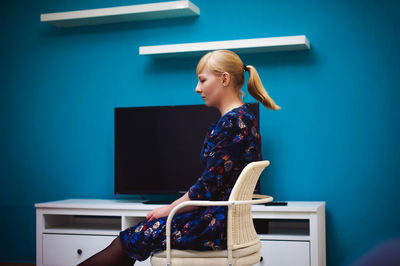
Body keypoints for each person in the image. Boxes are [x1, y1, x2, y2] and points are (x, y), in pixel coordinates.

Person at [78, 49, 280, 266]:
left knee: (127, 241)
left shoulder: (232, 123)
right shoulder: (244, 117)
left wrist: (169, 209)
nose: (197, 88)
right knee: (131, 240)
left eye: (202, 80)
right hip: (223, 222)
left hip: (212, 226)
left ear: (224, 79)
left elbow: (207, 188)